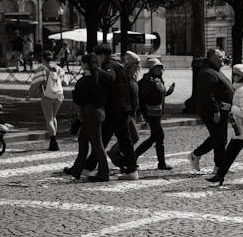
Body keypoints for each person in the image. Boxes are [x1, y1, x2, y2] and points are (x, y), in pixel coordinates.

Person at [83, 44, 139, 180]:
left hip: (115, 109)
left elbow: (110, 78)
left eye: (97, 55)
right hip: (123, 108)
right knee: (125, 140)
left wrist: (95, 69)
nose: (96, 58)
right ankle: (132, 170)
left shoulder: (110, 66)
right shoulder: (118, 65)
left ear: (102, 55)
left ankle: (90, 167)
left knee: (103, 139)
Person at [64, 54, 110, 181]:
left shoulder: (85, 81)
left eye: (82, 63)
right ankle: (77, 169)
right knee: (83, 140)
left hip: (90, 113)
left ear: (85, 64)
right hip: (99, 111)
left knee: (97, 144)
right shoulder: (101, 78)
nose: (81, 65)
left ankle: (104, 173)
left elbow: (78, 99)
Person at [188, 49, 234, 175]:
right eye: (219, 57)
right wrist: (215, 111)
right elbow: (208, 94)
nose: (222, 59)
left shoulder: (215, 72)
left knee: (220, 139)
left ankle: (219, 166)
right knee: (217, 138)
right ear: (212, 57)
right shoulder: (207, 73)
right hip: (213, 112)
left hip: (222, 110)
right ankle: (196, 154)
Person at [135, 57, 175, 170]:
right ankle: (160, 163)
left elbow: (158, 95)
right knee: (159, 135)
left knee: (155, 136)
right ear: (151, 68)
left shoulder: (156, 79)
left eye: (160, 68)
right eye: (157, 68)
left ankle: (136, 156)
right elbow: (146, 96)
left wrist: (167, 92)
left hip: (155, 112)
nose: (160, 70)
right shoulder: (150, 80)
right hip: (151, 112)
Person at [28, 50, 65, 151]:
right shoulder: (59, 69)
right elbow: (64, 82)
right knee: (53, 117)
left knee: (49, 119)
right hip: (59, 95)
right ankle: (54, 139)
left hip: (47, 96)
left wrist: (29, 94)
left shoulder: (41, 69)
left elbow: (35, 83)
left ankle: (53, 142)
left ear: (43, 58)